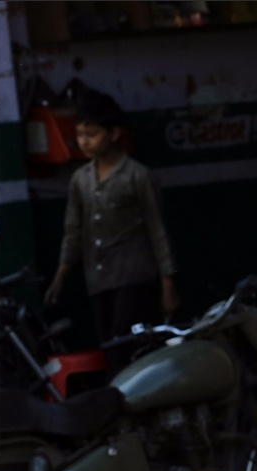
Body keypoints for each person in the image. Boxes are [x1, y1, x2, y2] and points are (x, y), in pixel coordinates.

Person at [44, 90, 179, 376]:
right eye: (80, 134)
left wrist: (168, 284)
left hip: (133, 277)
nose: (84, 141)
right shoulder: (81, 180)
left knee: (127, 345)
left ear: (114, 133)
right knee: (110, 346)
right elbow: (73, 231)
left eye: (91, 134)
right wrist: (60, 275)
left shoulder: (137, 176)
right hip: (99, 279)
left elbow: (157, 230)